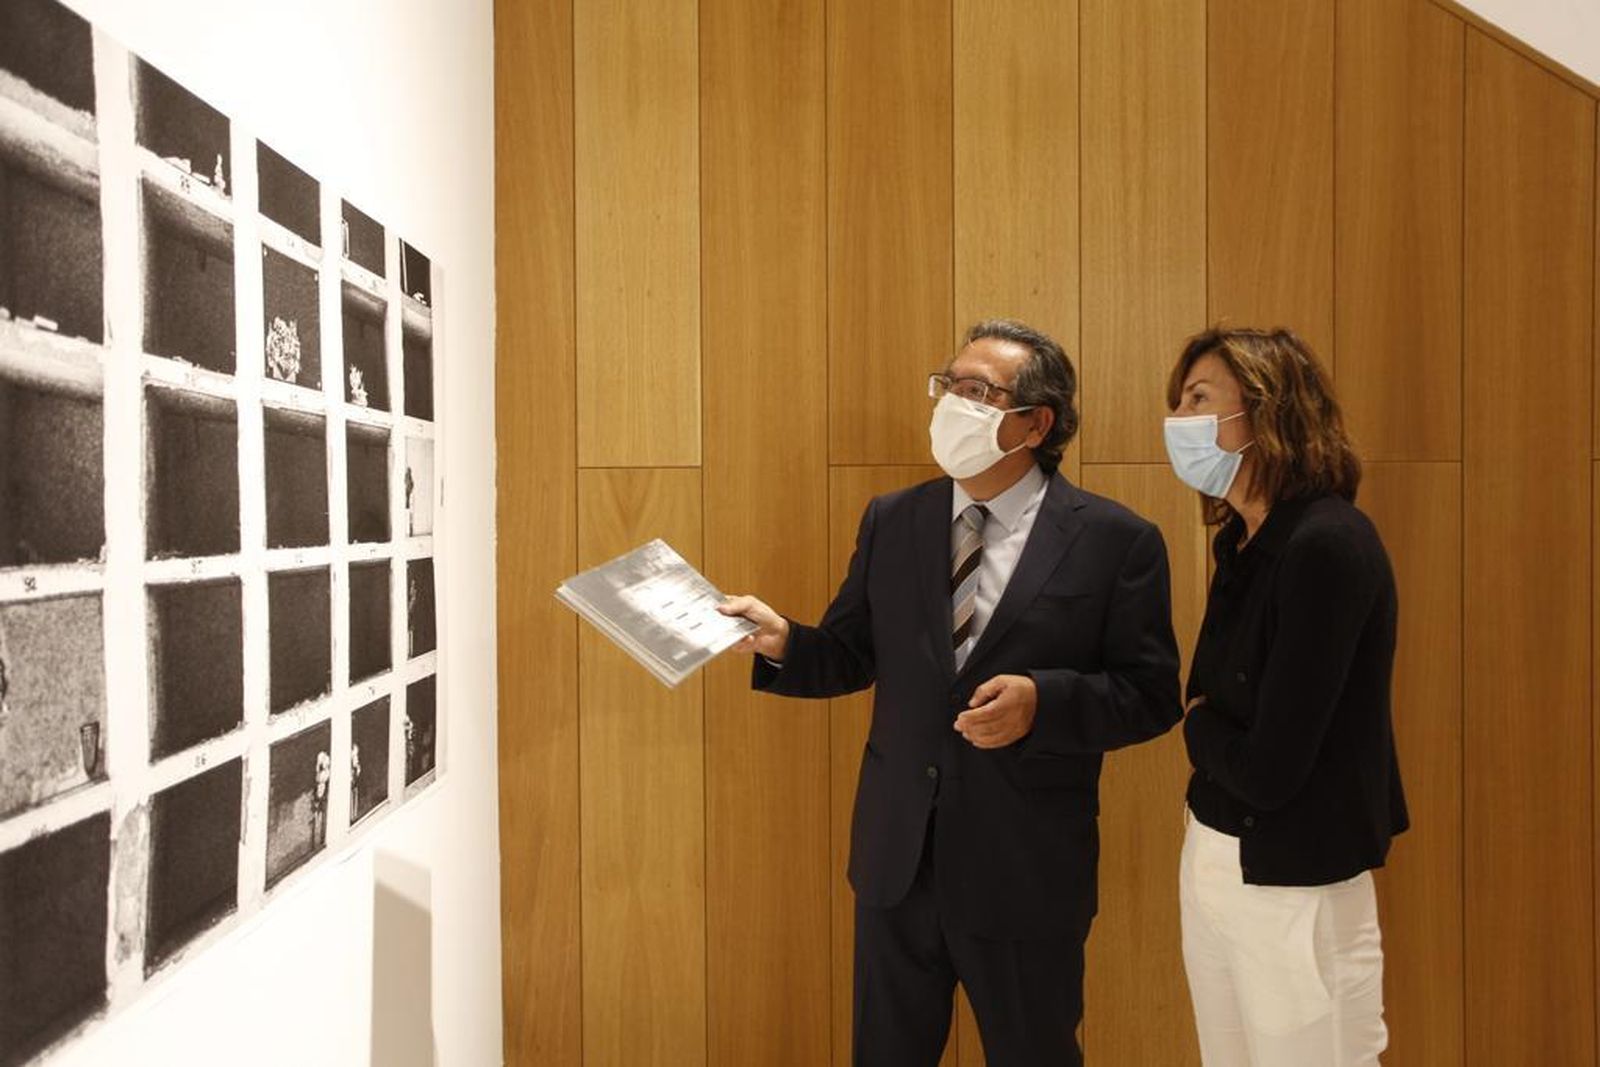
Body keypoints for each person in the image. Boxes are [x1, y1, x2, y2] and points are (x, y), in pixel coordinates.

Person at [720, 319, 1182, 1066]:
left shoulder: (1115, 539)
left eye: (975, 391)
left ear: (1036, 422)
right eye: (948, 385)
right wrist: (785, 642)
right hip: (897, 859)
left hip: (1024, 869)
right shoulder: (894, 518)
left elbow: (1152, 693)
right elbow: (850, 653)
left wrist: (1045, 700)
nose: (949, 404)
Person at [1164, 327, 1408, 1065]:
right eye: (1176, 403)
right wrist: (1207, 728)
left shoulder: (1327, 543)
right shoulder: (1241, 541)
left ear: (1266, 410)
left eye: (1199, 399)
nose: (1179, 420)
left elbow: (1269, 763)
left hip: (1296, 875)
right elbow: (1206, 701)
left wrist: (1200, 734)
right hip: (1215, 856)